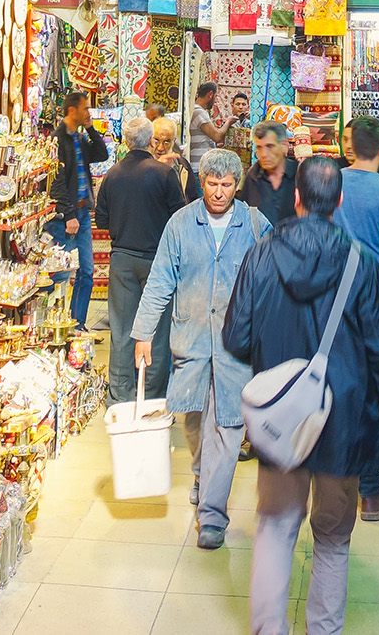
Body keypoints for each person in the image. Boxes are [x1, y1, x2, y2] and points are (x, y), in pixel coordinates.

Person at [224, 157, 379, 635]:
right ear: (338, 201)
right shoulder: (362, 262)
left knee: (274, 530)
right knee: (332, 539)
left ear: (296, 197)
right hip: (345, 425)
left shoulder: (261, 253)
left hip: (280, 423)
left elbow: (235, 336)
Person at [131, 149, 271, 549]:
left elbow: (275, 275)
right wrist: (143, 333)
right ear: (201, 181)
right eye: (212, 184)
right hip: (190, 339)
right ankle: (200, 470)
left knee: (228, 427)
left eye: (227, 185)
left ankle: (212, 516)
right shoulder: (180, 223)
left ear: (237, 186)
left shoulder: (255, 223)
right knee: (193, 421)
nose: (219, 192)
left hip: (236, 347)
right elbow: (159, 281)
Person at [334, 117, 379, 523]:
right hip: (371, 306)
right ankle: (370, 492)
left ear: (350, 146)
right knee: (371, 397)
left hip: (330, 304)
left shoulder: (330, 181)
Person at [95, 115, 186, 402]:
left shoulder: (112, 174)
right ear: (150, 141)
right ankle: (152, 396)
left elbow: (101, 221)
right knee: (156, 332)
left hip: (122, 257)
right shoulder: (163, 173)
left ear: (125, 141)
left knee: (121, 329)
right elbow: (179, 217)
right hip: (157, 260)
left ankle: (120, 396)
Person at [45, 90, 109, 336]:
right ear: (72, 110)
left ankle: (76, 324)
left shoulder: (79, 139)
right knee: (60, 272)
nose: (88, 113)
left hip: (82, 215)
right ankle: (51, 325)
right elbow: (57, 181)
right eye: (85, 109)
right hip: (66, 217)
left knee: (86, 271)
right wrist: (68, 212)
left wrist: (91, 129)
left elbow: (101, 154)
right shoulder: (58, 140)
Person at [240, 121, 298, 226]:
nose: (264, 154)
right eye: (259, 147)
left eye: (270, 146)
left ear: (284, 145)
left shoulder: (299, 175)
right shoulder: (252, 177)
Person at [188, 81, 237, 171]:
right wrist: (228, 122)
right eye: (215, 97)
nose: (215, 101)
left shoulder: (195, 110)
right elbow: (216, 136)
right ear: (210, 94)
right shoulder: (199, 112)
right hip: (198, 167)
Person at [151, 116, 200, 201]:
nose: (160, 148)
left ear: (174, 141)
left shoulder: (182, 165)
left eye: (166, 142)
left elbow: (191, 197)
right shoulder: (142, 165)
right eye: (156, 140)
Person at [222, 91, 253, 167]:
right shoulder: (227, 122)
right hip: (230, 162)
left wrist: (252, 119)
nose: (241, 107)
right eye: (238, 104)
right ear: (232, 106)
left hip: (248, 162)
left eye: (244, 104)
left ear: (248, 107)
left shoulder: (252, 122)